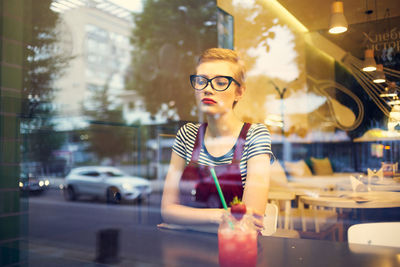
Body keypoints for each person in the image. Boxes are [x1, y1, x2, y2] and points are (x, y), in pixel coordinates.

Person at [161, 48, 273, 231]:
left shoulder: (254, 136)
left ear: (239, 92)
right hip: (186, 248)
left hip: (235, 251)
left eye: (220, 82)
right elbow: (167, 210)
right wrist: (222, 215)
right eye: (201, 81)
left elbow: (250, 219)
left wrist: (184, 219)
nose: (207, 88)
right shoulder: (187, 135)